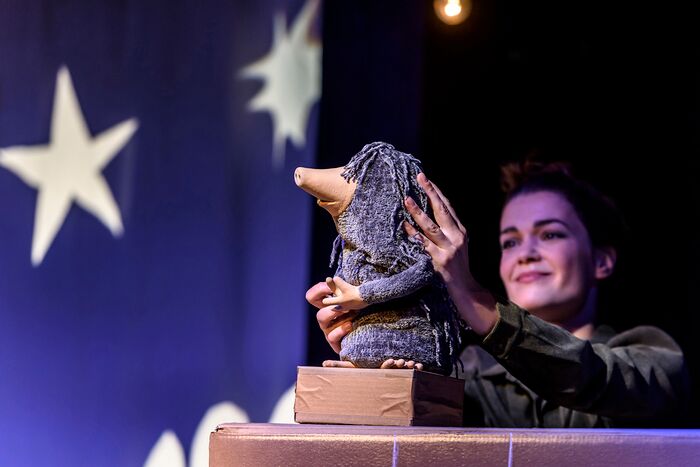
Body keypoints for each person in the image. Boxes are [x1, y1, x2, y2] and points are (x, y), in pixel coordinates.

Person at [306, 161, 690, 427]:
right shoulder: (465, 375)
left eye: (550, 234)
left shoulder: (654, 361)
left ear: (602, 260)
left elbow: (598, 379)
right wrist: (373, 346)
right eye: (510, 242)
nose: (526, 254)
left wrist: (477, 301)